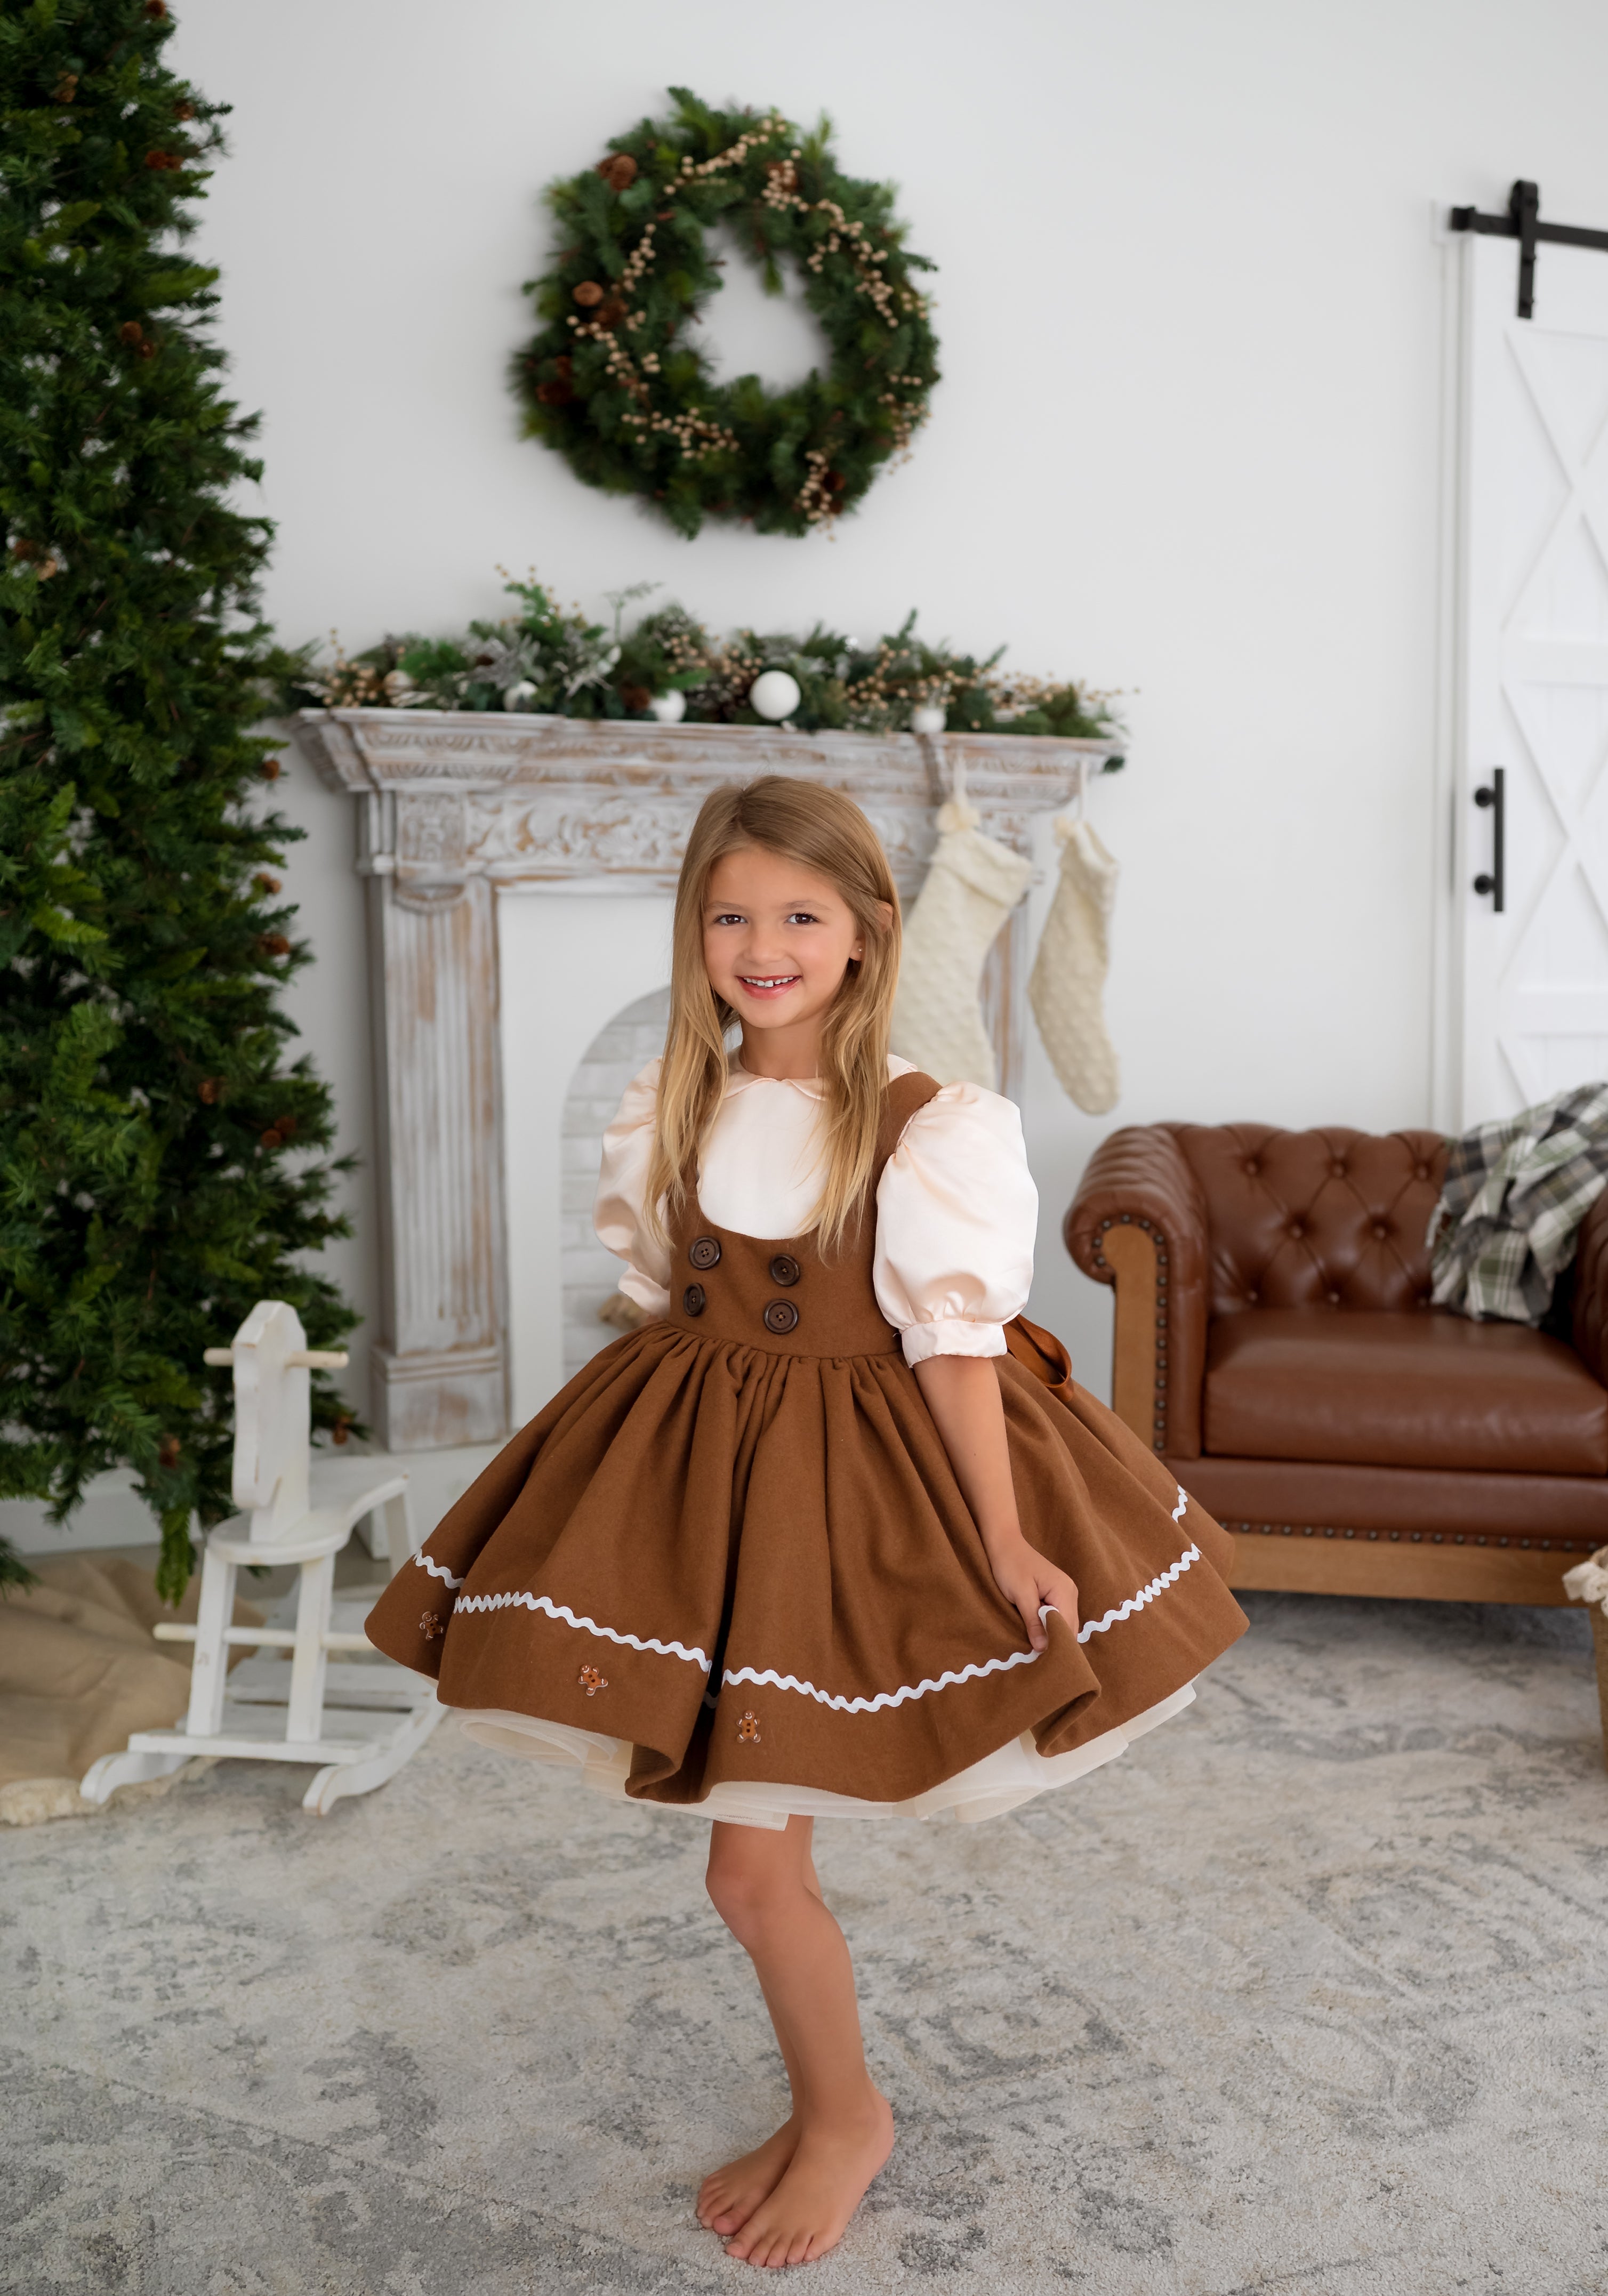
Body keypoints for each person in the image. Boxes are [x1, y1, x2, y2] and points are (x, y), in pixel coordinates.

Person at [366, 776, 1247, 2269]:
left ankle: (845, 2115)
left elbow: (955, 1353)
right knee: (748, 1855)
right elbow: (661, 1298)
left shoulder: (927, 1123)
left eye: (798, 913)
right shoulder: (677, 1097)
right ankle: (825, 2103)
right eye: (730, 913)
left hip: (839, 1504)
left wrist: (1006, 1534)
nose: (761, 942)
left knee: (746, 1864)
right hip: (705, 1489)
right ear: (693, 929)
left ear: (865, 932)